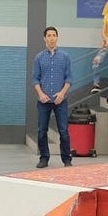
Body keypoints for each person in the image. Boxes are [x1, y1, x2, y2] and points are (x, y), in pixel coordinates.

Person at [32, 26, 73, 168]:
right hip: (43, 101)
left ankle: (67, 159)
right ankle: (44, 158)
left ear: (57, 37)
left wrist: (62, 93)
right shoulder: (39, 58)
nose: (51, 38)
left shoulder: (65, 57)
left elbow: (69, 78)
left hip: (60, 100)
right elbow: (35, 79)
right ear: (44, 39)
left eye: (54, 35)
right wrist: (41, 94)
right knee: (42, 130)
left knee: (64, 131)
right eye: (48, 35)